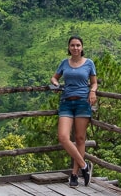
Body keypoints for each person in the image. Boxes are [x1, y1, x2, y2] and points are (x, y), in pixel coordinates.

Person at [50, 35, 97, 187]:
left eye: (78, 45)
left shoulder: (89, 63)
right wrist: (56, 84)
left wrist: (92, 91)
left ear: (82, 47)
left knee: (80, 138)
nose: (75, 48)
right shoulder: (64, 63)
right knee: (63, 137)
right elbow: (54, 78)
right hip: (66, 103)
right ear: (69, 47)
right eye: (72, 45)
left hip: (83, 102)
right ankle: (85, 166)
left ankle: (75, 174)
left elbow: (94, 83)